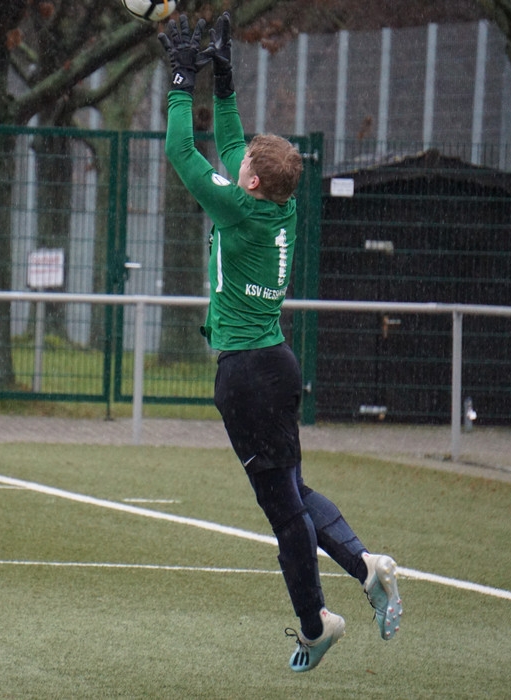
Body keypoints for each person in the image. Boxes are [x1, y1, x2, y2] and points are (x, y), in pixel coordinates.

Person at [159, 13, 401, 672]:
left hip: (247, 376)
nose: (235, 171)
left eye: (244, 172)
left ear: (254, 185)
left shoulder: (239, 206)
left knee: (281, 506)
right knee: (292, 487)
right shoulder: (280, 201)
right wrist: (226, 82)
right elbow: (236, 151)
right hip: (278, 364)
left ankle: (314, 621)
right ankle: (366, 564)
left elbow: (184, 154)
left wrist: (182, 83)